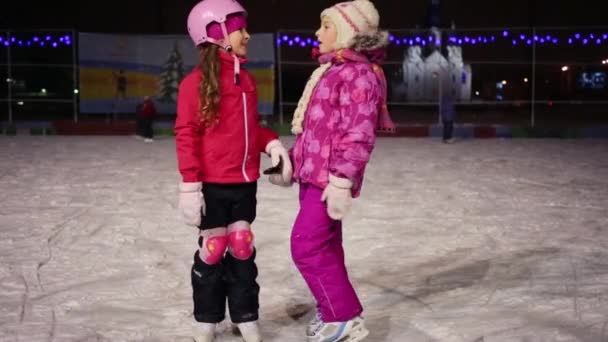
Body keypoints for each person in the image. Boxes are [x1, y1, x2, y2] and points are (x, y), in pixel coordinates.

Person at [268, 1, 395, 341]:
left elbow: (359, 135)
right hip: (313, 178)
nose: (317, 32)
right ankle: (333, 308)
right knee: (326, 247)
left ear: (348, 33)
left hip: (329, 181)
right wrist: (292, 161)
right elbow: (317, 131)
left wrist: (342, 180)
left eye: (325, 26)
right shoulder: (332, 71)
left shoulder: (360, 76)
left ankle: (344, 317)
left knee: (306, 246)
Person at [175, 0, 292, 341]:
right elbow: (187, 136)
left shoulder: (247, 81)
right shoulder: (192, 85)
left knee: (242, 246)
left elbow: (250, 128)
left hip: (244, 184)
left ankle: (245, 315)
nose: (247, 35)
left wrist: (271, 145)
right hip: (211, 185)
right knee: (213, 250)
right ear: (217, 33)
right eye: (240, 28)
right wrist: (190, 187)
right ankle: (207, 319)